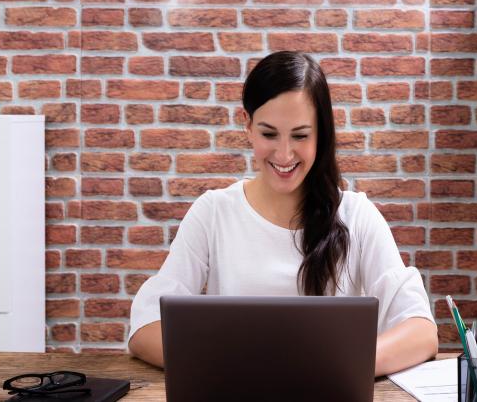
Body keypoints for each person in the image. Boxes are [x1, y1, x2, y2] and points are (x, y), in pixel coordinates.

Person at [127, 51, 438, 376]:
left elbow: (420, 330)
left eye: (301, 135)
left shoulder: (356, 215)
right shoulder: (214, 212)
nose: (285, 154)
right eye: (269, 134)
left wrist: (334, 365)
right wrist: (236, 365)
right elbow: (144, 328)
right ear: (246, 125)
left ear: (321, 133)